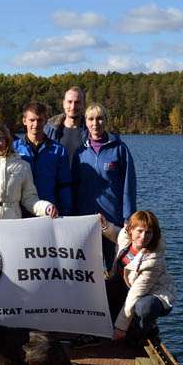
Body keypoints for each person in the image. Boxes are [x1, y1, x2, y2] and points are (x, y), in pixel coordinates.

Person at [72, 103, 136, 268]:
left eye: (100, 118)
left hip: (112, 219)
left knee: (115, 266)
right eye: (91, 119)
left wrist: (128, 216)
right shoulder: (80, 152)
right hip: (85, 220)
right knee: (86, 269)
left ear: (106, 121)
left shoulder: (119, 149)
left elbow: (129, 186)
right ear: (85, 122)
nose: (95, 123)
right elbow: (73, 186)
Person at [100, 210, 175, 343]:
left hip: (151, 294)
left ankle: (144, 332)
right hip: (127, 287)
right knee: (102, 290)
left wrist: (120, 328)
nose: (143, 236)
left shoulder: (153, 260)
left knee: (144, 307)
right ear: (130, 230)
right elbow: (117, 234)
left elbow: (135, 294)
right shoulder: (125, 236)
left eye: (149, 233)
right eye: (140, 231)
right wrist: (105, 226)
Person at [13, 101, 72, 216]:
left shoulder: (58, 150)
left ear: (45, 121)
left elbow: (64, 184)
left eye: (40, 120)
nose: (36, 124)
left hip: (49, 211)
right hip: (19, 212)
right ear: (24, 121)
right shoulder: (13, 149)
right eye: (32, 120)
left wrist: (66, 211)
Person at [45, 86, 87, 161]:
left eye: (77, 102)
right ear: (64, 103)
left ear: (83, 105)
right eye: (69, 102)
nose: (73, 106)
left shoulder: (90, 130)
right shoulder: (50, 129)